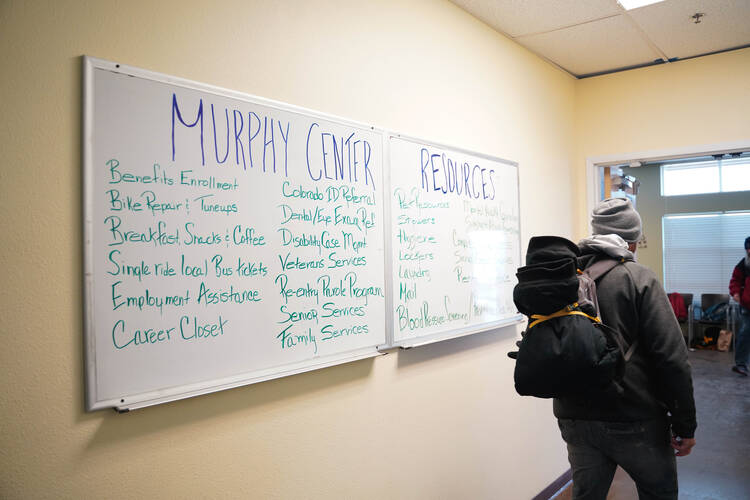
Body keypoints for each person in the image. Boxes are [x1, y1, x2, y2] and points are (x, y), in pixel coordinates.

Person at [554, 198, 697, 500]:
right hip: (634, 416)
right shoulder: (638, 278)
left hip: (575, 416)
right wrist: (685, 424)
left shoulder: (565, 277)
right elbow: (671, 358)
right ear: (632, 241)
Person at [728, 236, 750, 376]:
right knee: (745, 332)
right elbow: (735, 281)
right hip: (747, 305)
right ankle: (741, 364)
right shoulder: (743, 265)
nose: (749, 251)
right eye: (747, 248)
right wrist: (735, 293)